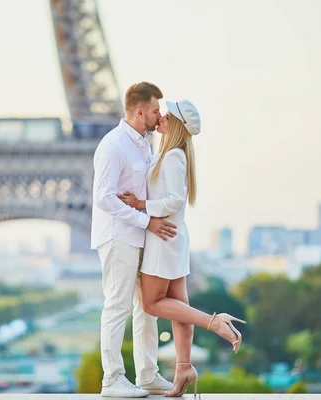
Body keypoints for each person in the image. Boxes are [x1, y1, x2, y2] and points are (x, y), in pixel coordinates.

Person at [119, 100, 246, 397]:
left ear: (176, 123)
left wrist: (140, 205)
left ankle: (214, 322)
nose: (161, 115)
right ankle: (184, 367)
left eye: (167, 113)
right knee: (180, 308)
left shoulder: (174, 156)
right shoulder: (169, 154)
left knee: (151, 304)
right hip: (173, 238)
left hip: (164, 238)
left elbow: (175, 200)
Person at [91, 82, 178, 398]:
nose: (160, 115)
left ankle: (147, 374)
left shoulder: (144, 143)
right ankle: (111, 379)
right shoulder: (113, 145)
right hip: (119, 236)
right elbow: (103, 197)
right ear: (140, 111)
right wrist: (146, 221)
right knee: (117, 305)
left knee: (147, 307)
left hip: (140, 236)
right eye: (156, 110)